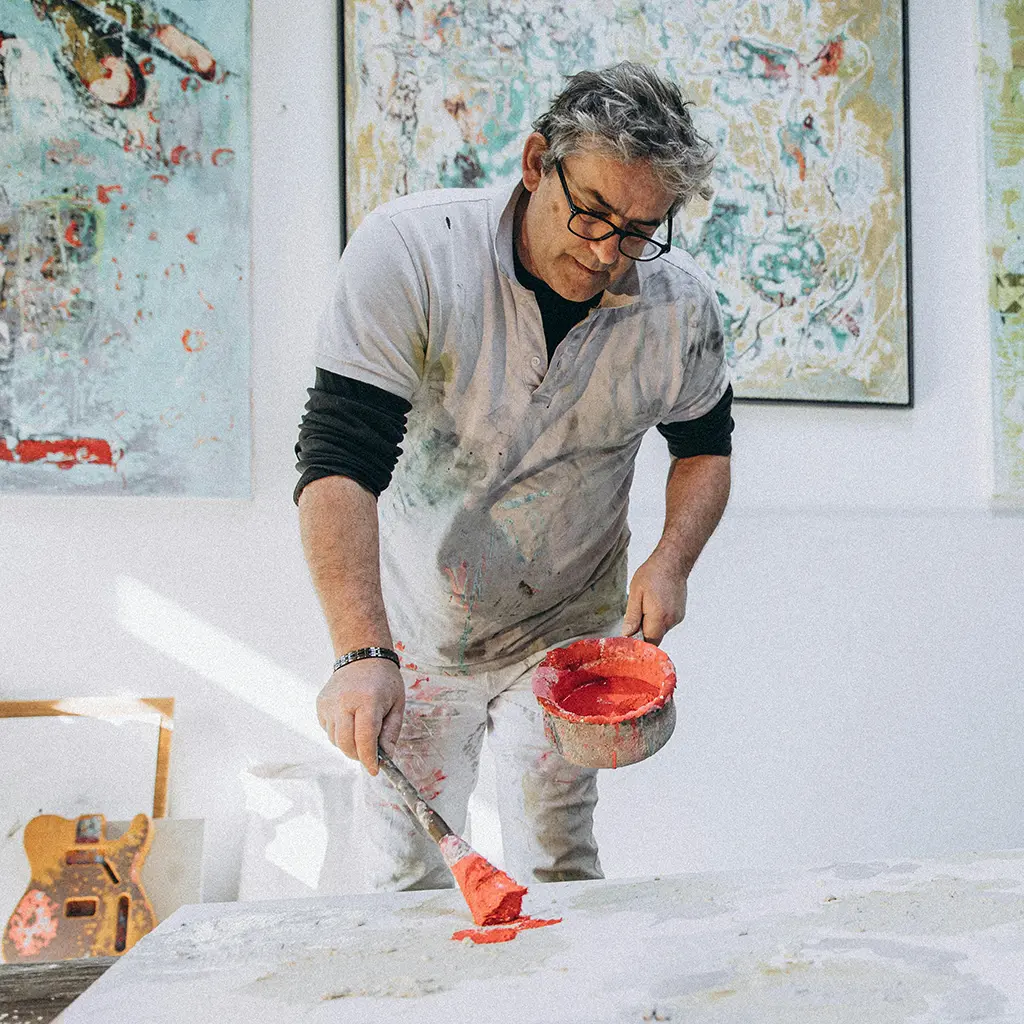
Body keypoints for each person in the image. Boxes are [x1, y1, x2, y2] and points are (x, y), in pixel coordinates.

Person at [295, 61, 733, 891]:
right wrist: (359, 648)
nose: (608, 252)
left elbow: (706, 443)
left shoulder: (679, 309)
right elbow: (337, 462)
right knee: (405, 876)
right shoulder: (414, 253)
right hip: (416, 628)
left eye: (639, 229)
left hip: (568, 634)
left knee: (560, 863)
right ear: (537, 164)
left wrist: (672, 560)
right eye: (592, 212)